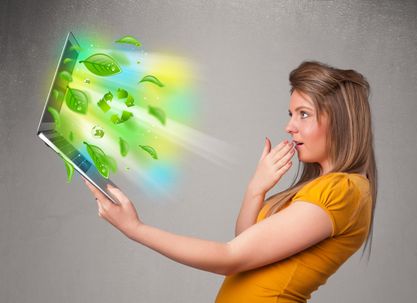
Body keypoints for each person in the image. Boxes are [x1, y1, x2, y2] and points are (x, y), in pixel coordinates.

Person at [83, 60, 377, 303]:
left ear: (339, 121)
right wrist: (256, 188)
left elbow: (231, 257)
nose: (290, 127)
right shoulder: (320, 188)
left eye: (304, 115)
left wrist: (135, 229)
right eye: (291, 114)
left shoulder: (344, 190)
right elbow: (245, 248)